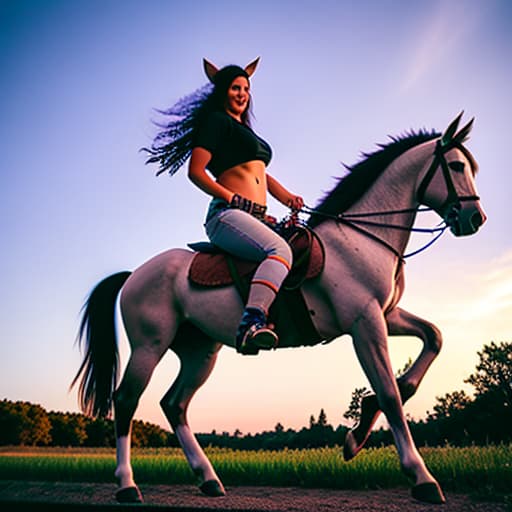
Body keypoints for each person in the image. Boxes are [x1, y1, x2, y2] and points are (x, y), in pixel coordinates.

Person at [143, 58, 304, 354]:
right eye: (234, 88)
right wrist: (230, 197)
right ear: (223, 91)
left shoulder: (246, 133)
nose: (242, 93)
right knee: (280, 251)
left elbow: (261, 176)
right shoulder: (216, 122)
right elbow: (196, 171)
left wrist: (288, 197)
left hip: (256, 216)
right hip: (226, 215)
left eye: (246, 88)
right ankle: (250, 324)